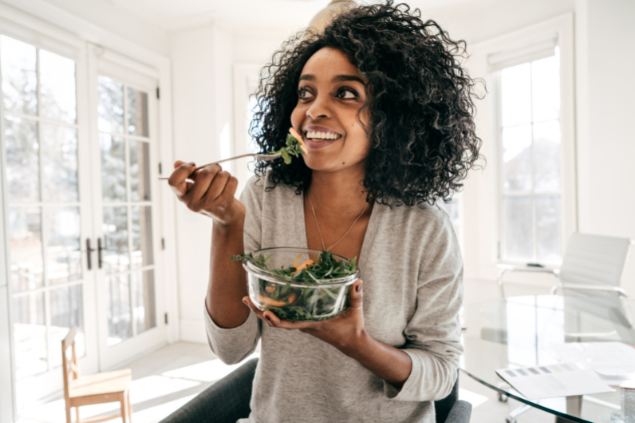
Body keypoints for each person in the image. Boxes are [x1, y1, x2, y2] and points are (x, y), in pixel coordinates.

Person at [167, 1, 481, 422]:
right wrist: (228, 222)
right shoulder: (265, 197)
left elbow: (442, 373)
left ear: (393, 116)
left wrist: (357, 343)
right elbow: (230, 349)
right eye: (305, 92)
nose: (313, 109)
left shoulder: (425, 228)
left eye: (346, 93)